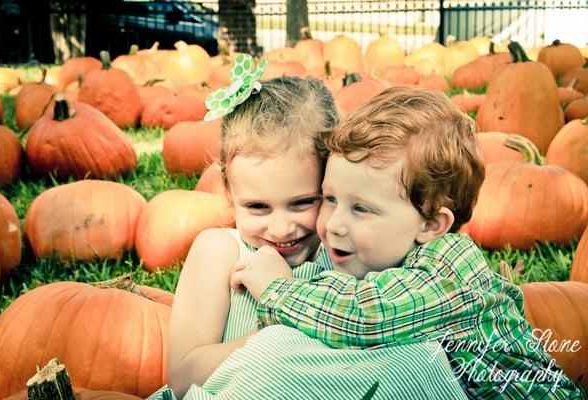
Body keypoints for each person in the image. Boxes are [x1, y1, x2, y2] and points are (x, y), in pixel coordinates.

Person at [231, 86, 586, 399]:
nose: (334, 224)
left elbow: (362, 316)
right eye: (330, 199)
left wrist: (278, 288)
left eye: (361, 209)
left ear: (431, 224)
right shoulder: (384, 253)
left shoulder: (446, 274)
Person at [148, 58, 469, 400]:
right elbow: (184, 377)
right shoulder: (220, 252)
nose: (282, 228)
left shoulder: (348, 251)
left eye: (305, 202)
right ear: (229, 192)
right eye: (257, 206)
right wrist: (283, 326)